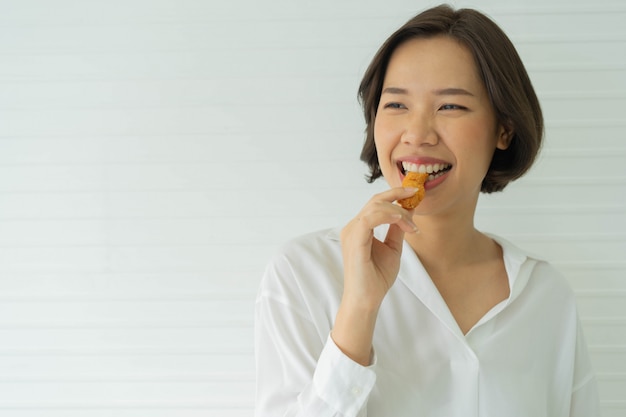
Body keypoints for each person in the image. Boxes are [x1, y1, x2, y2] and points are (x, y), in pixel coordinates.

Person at [254, 4, 601, 416]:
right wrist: (358, 311)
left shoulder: (546, 295)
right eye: (396, 105)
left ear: (503, 129)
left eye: (450, 107)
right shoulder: (303, 273)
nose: (417, 134)